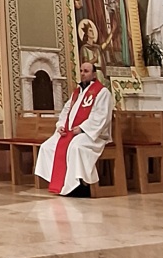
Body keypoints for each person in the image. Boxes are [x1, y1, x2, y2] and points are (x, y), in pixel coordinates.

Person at [34, 60, 113, 197]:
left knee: (76, 147)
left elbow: (101, 115)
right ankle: (62, 183)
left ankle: (81, 186)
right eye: (81, 71)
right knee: (47, 147)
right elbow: (66, 111)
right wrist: (61, 126)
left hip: (93, 134)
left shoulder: (102, 92)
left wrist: (82, 128)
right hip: (72, 132)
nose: (82, 74)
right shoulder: (76, 93)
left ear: (94, 74)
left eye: (86, 71)